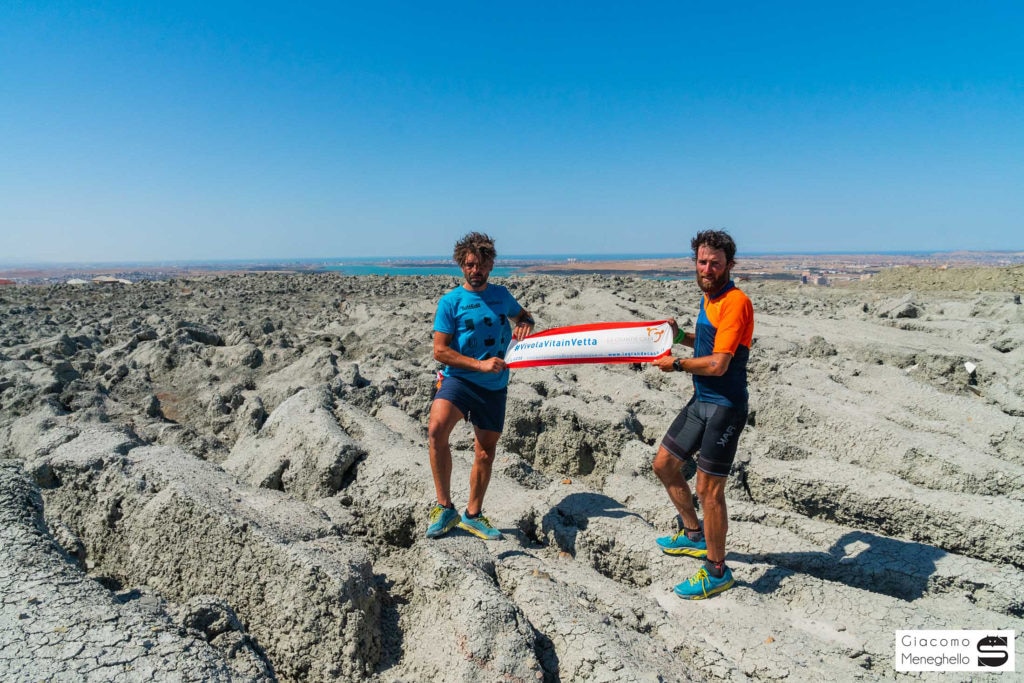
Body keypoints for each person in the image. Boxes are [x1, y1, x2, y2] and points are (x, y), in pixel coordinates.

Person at [651, 229, 754, 599]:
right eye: (702, 261)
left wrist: (677, 364)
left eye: (715, 263)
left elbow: (719, 363)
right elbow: (710, 343)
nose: (707, 268)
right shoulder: (708, 298)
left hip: (725, 407)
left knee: (708, 490)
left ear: (729, 264)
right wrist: (679, 338)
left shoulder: (735, 301)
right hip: (701, 401)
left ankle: (717, 570)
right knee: (663, 464)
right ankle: (694, 535)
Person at [425, 232, 534, 540]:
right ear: (462, 265)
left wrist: (526, 322)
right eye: (470, 265)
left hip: (494, 386)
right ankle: (445, 507)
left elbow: (523, 316)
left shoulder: (501, 295)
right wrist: (479, 364)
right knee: (436, 431)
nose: (476, 271)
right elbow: (440, 351)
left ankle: (473, 514)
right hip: (459, 380)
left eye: (482, 265)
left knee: (485, 452)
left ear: (491, 266)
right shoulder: (451, 302)